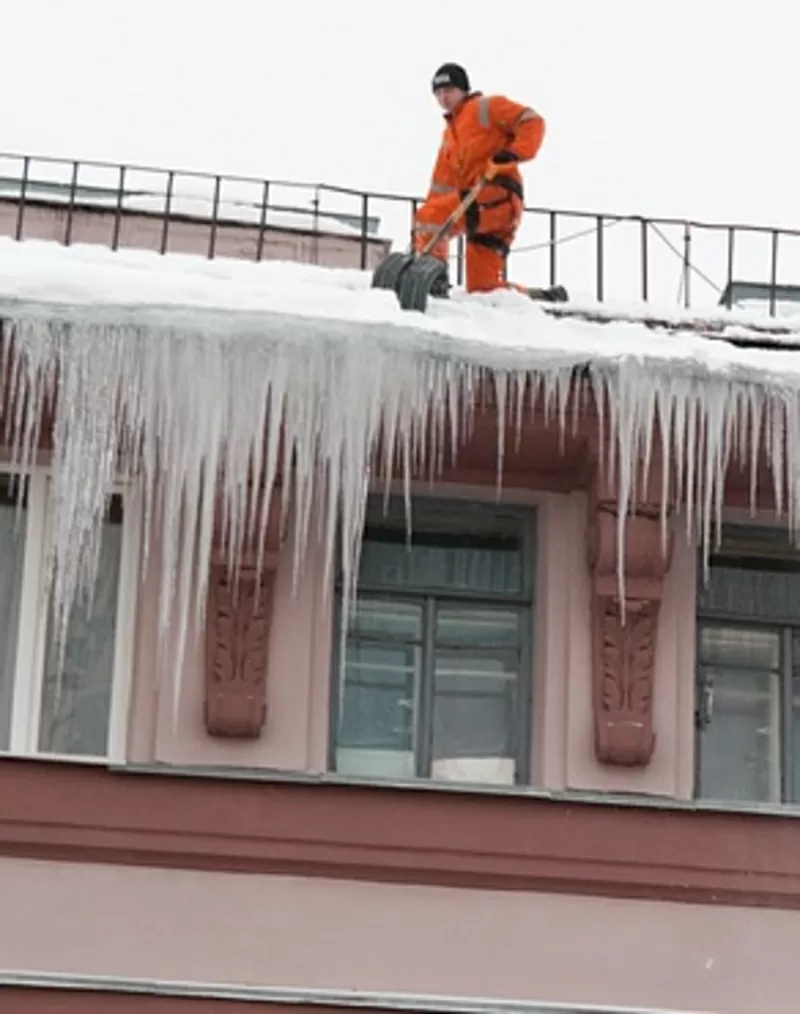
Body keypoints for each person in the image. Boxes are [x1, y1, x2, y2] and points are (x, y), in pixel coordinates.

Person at [415, 63, 566, 301]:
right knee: (483, 290)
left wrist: (513, 153)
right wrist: (421, 226)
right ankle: (542, 297)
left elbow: (532, 121)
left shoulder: (486, 107)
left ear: (463, 89)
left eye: (449, 91)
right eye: (438, 93)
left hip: (497, 196)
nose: (443, 98)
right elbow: (440, 188)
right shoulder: (450, 137)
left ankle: (433, 284)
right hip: (485, 207)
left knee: (430, 216)